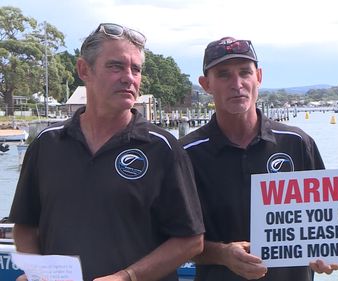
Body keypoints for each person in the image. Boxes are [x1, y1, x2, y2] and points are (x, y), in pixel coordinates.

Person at [9, 23, 205, 281]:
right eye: (116, 66)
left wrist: (128, 276)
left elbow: (191, 241)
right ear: (83, 70)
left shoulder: (162, 147)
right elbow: (24, 225)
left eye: (136, 69)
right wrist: (37, 272)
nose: (129, 77)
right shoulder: (47, 144)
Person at [180, 36, 334, 281]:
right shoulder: (186, 153)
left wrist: (324, 251)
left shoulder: (296, 143)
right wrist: (221, 254)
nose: (237, 83)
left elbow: (326, 220)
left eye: (245, 72)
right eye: (223, 74)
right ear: (205, 84)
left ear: (259, 77)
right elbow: (175, 240)